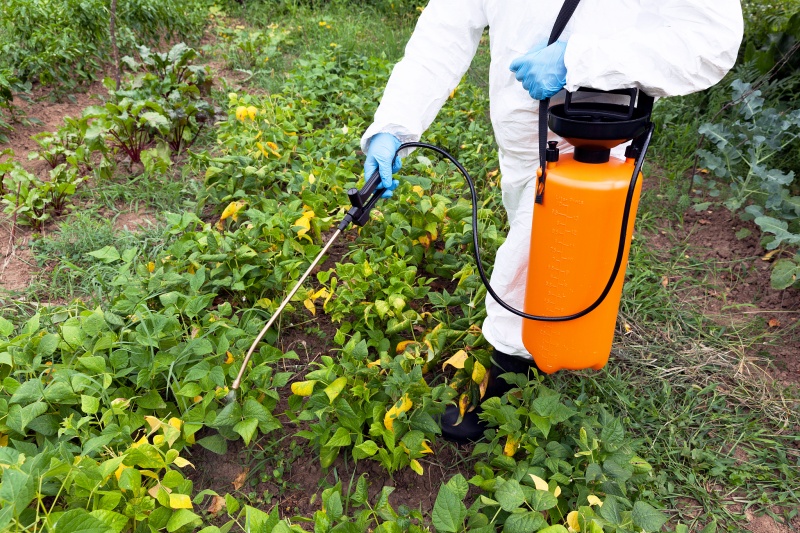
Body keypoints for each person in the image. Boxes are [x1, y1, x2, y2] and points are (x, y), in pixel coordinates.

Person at [361, 0, 744, 442]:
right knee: (542, 247)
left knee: (532, 254)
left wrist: (577, 59)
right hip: (519, 127)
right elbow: (445, 29)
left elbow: (711, 42)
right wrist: (395, 125)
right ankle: (544, 338)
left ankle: (507, 380)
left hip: (595, 126)